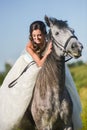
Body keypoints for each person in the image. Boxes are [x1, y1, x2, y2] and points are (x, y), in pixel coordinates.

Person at [0, 20, 82, 130]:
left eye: (39, 35)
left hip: (48, 65)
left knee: (64, 77)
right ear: (31, 36)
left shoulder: (50, 40)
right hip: (34, 64)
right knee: (26, 86)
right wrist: (48, 52)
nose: (37, 38)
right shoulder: (29, 46)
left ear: (44, 34)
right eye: (34, 35)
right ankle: (25, 113)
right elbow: (39, 63)